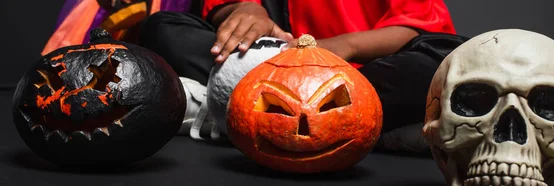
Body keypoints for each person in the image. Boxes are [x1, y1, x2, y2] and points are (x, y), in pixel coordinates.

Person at [138, 0, 470, 154]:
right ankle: (364, 132)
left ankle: (228, 112)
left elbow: (420, 24)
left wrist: (342, 46)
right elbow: (225, 6)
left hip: (360, 77)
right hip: (271, 65)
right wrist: (245, 10)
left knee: (447, 60)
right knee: (164, 28)